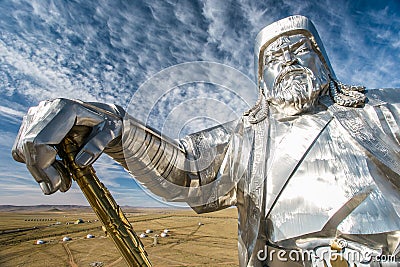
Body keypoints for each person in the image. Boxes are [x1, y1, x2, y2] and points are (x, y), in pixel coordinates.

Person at [12, 15, 400, 267]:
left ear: (324, 61)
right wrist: (116, 125)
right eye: (273, 58)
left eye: (301, 49)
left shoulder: (385, 109)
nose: (289, 61)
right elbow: (186, 170)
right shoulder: (245, 136)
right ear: (261, 79)